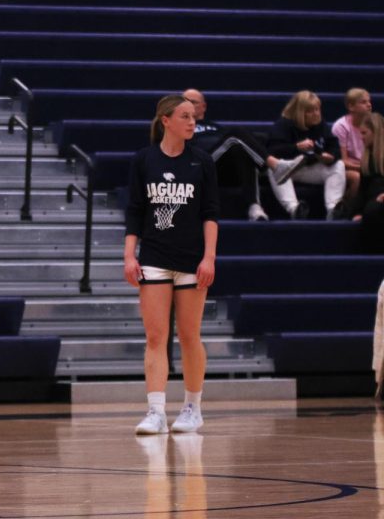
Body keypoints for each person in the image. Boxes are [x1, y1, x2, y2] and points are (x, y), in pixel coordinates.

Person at [123, 95, 218, 436]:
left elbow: (210, 214)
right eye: (185, 116)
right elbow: (135, 211)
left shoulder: (202, 162)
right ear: (166, 120)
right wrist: (129, 254)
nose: (192, 122)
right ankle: (156, 411)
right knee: (155, 336)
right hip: (154, 257)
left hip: (192, 259)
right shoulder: (143, 160)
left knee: (189, 335)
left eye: (194, 117)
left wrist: (209, 257)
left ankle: (193, 407)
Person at [182, 89, 287, 221]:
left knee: (240, 147)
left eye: (193, 102)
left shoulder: (217, 128)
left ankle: (254, 207)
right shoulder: (179, 127)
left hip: (222, 169)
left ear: (204, 106)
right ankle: (273, 166)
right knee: (236, 134)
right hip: (199, 167)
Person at [265, 90, 347, 220]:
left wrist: (329, 157)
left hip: (311, 168)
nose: (316, 114)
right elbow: (272, 151)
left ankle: (333, 209)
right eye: (311, 111)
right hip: (289, 169)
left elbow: (334, 147)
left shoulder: (321, 125)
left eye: (317, 109)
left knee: (339, 165)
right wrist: (296, 147)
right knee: (273, 168)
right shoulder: (283, 125)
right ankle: (294, 209)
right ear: (300, 112)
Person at [349, 112, 384, 248]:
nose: (361, 138)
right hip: (373, 203)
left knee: (372, 211)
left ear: (376, 133)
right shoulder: (367, 158)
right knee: (368, 211)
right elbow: (362, 190)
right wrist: (357, 212)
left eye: (364, 133)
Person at [332, 88, 372, 202]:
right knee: (357, 177)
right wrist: (364, 168)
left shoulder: (373, 125)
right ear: (351, 107)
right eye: (363, 102)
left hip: (366, 165)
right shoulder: (341, 126)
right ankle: (347, 211)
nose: (369, 105)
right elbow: (342, 161)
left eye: (369, 101)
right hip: (345, 168)